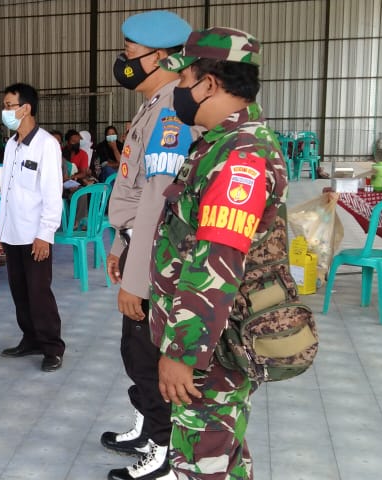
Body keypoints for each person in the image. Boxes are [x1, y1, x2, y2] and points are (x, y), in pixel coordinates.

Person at [149, 27, 287, 480]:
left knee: (199, 463)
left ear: (210, 83)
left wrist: (183, 354)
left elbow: (216, 263)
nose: (179, 92)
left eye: (184, 80)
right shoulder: (223, 143)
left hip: (210, 346)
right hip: (212, 340)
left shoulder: (239, 156)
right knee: (222, 455)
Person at [99, 11, 196, 480]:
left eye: (130, 54)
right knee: (134, 353)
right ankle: (147, 425)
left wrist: (136, 281)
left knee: (150, 355)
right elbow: (132, 191)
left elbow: (157, 203)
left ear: (160, 58)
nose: (123, 62)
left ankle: (163, 450)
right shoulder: (152, 104)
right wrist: (119, 245)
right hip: (136, 246)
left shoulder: (172, 114)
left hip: (154, 260)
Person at [0, 83, 65, 372]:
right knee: (19, 290)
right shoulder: (11, 145)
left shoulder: (46, 144)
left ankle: (52, 346)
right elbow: (6, 191)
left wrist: (44, 235)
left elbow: (52, 193)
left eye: (10, 105)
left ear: (26, 108)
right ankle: (30, 338)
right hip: (12, 233)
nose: (6, 111)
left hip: (35, 235)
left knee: (39, 292)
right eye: (5, 105)